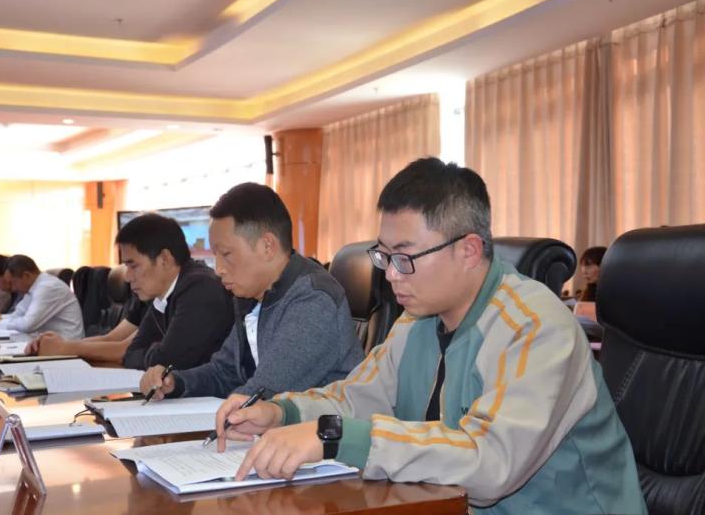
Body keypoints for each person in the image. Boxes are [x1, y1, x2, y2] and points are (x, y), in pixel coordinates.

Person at [217, 159, 646, 515]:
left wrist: (336, 437)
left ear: (468, 251)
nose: (390, 274)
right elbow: (358, 397)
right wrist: (283, 413)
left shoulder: (534, 326)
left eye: (404, 257)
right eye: (384, 256)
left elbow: (490, 462)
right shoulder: (417, 320)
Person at [140, 183, 364, 400]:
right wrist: (176, 382)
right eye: (215, 256)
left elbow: (264, 393)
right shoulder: (252, 297)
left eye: (226, 254)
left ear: (267, 246)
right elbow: (224, 372)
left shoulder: (313, 300)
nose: (218, 269)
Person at [29, 213, 231, 369]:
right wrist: (61, 347)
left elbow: (163, 361)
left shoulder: (200, 289)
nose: (127, 277)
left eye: (133, 265)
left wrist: (64, 348)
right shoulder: (163, 295)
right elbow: (133, 350)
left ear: (164, 259)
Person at [0, 255, 85, 338]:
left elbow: (27, 325)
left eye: (13, 282)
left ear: (26, 276)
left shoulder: (48, 287)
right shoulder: (34, 287)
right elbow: (17, 314)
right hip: (49, 343)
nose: (13, 288)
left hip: (67, 347)